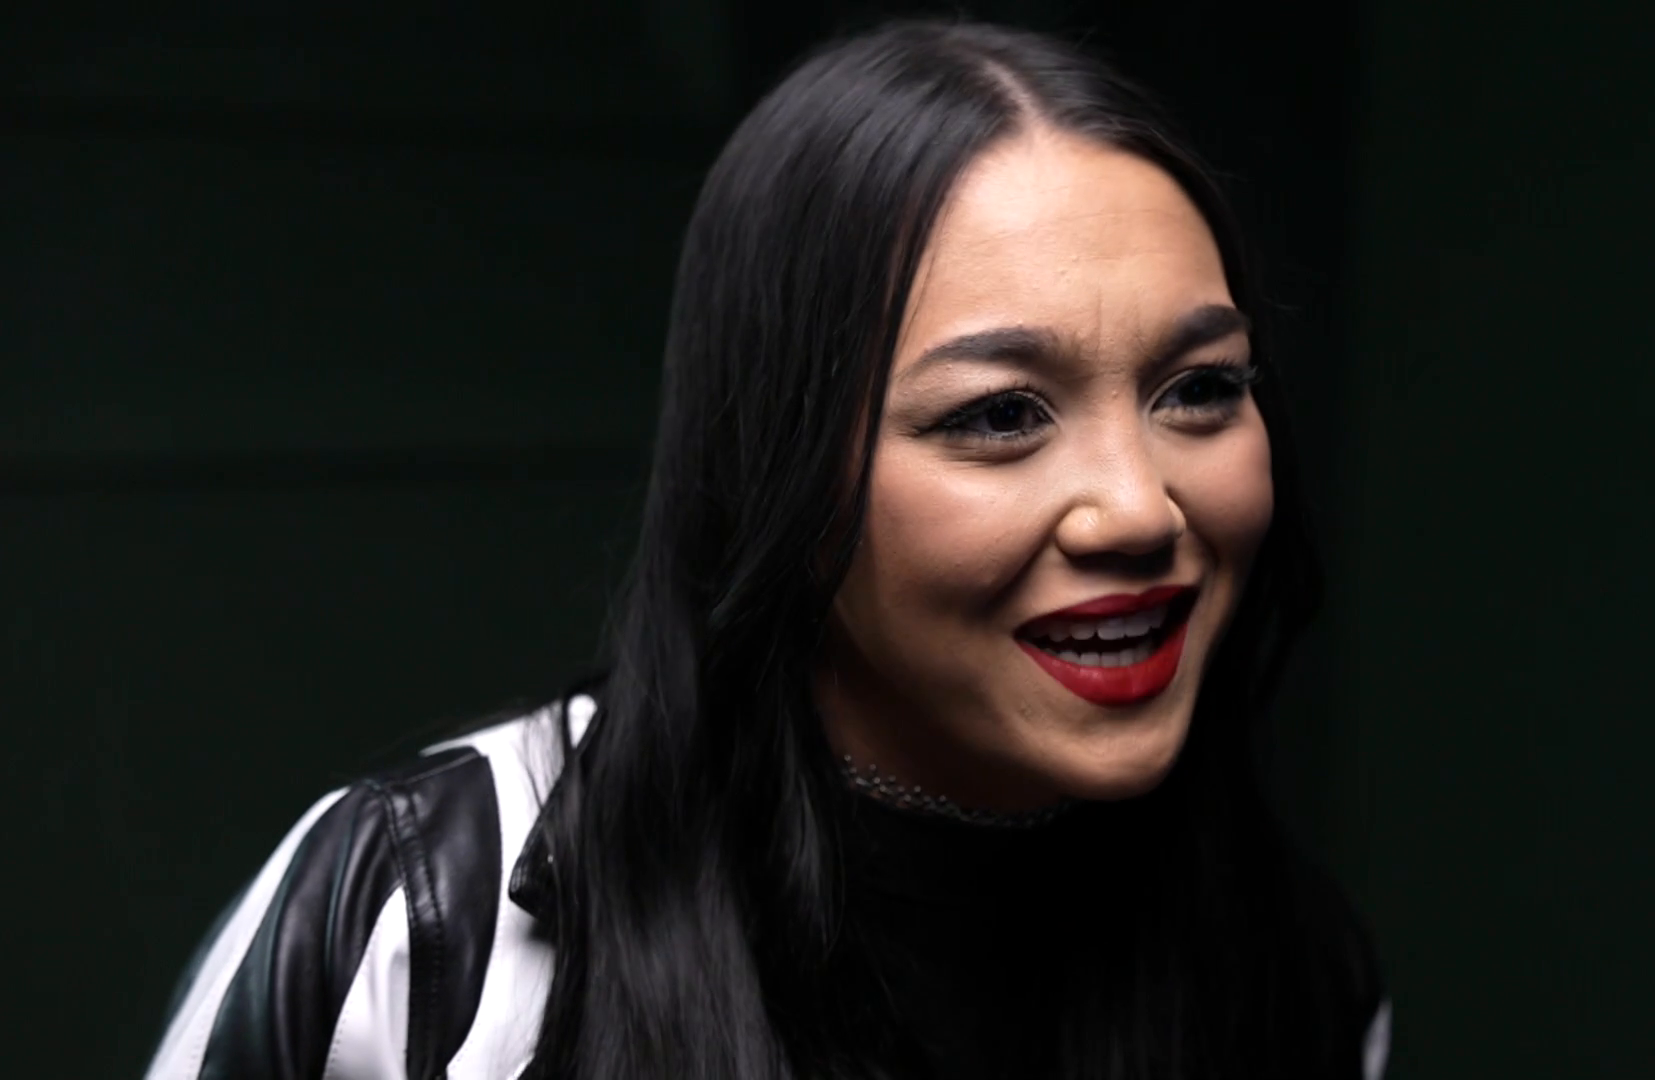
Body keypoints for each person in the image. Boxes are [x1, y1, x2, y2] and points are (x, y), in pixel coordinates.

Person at [144, 19, 1390, 1080]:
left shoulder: (1295, 978)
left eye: (1200, 388)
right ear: (777, 466)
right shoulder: (424, 921)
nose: (1138, 510)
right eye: (1001, 414)